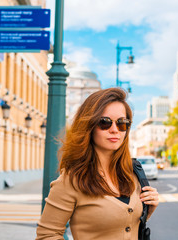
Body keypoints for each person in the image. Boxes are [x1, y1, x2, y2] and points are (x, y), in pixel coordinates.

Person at [36, 88, 159, 240]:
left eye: (122, 123)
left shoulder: (132, 173)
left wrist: (146, 211)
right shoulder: (71, 181)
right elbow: (47, 235)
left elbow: (121, 228)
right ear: (89, 126)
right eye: (105, 123)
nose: (115, 130)